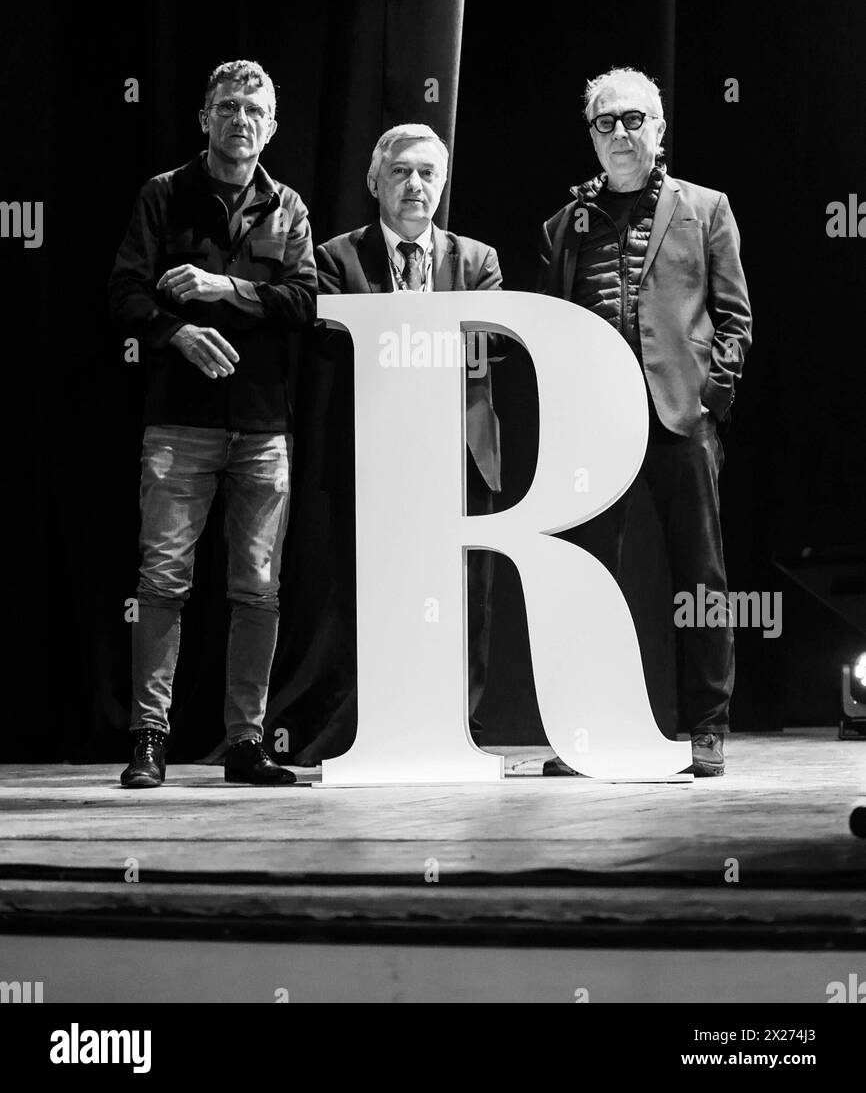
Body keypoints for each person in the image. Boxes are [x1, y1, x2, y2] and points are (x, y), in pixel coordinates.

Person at [109, 59, 317, 787]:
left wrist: (222, 288)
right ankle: (149, 739)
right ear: (205, 117)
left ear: (272, 124)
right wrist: (176, 333)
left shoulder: (287, 207)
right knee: (163, 579)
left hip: (263, 426)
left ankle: (247, 742)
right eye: (226, 106)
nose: (240, 120)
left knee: (258, 587)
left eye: (253, 109)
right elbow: (125, 293)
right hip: (179, 423)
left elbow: (303, 303)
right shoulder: (165, 195)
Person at [539, 67, 752, 777]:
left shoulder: (706, 207)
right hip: (597, 426)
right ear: (591, 137)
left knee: (702, 578)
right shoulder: (561, 225)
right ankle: (587, 734)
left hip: (677, 419)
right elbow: (555, 326)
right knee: (588, 577)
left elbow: (735, 318)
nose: (621, 133)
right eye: (607, 123)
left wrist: (708, 401)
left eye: (634, 120)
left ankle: (708, 728)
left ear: (658, 132)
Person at [314, 124, 504, 749]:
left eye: (427, 173)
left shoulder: (477, 262)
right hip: (375, 453)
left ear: (442, 183)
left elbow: (489, 344)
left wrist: (411, 337)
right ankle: (376, 728)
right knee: (372, 592)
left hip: (459, 452)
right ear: (375, 182)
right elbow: (330, 343)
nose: (415, 185)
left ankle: (463, 730)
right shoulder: (336, 259)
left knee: (466, 596)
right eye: (400, 172)